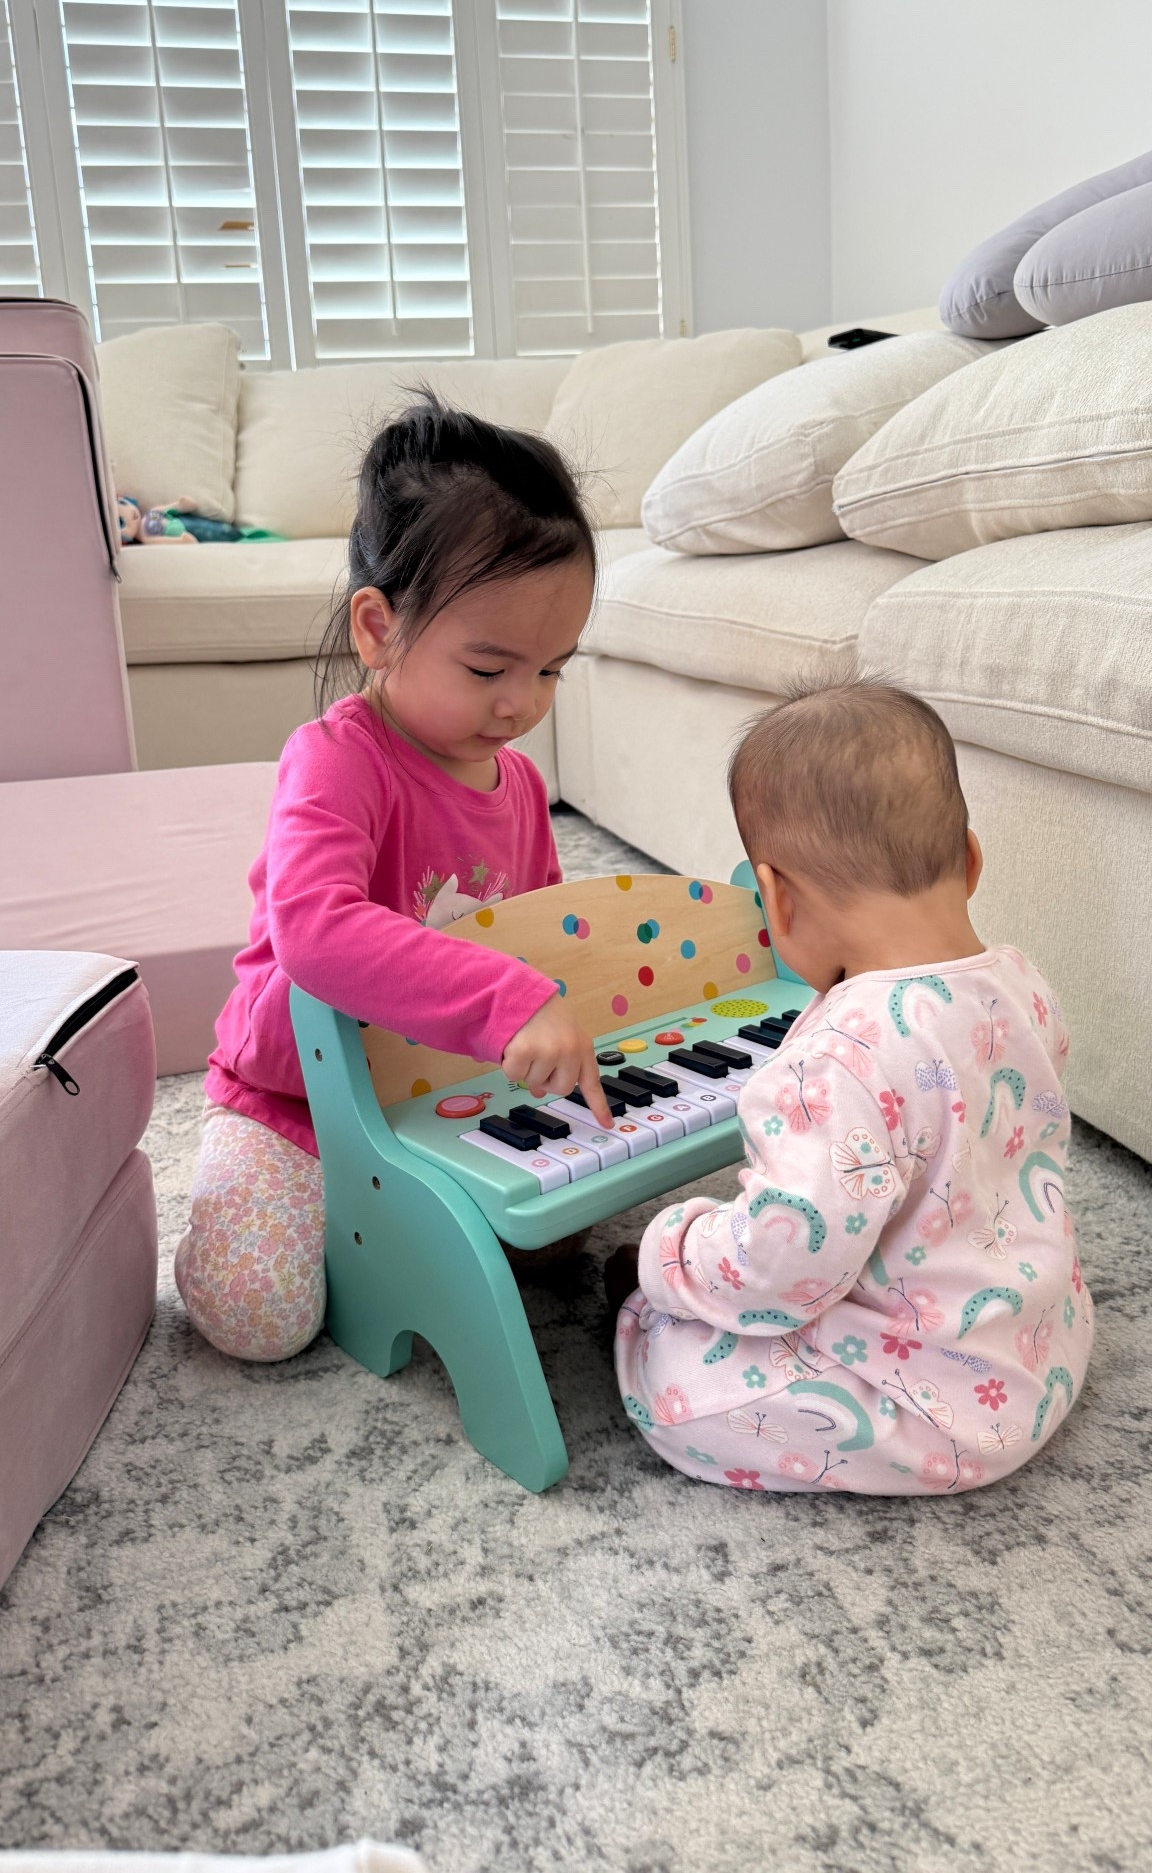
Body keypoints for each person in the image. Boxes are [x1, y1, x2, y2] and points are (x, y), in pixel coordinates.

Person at [176, 395, 611, 1362]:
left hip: (432, 1096)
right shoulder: (337, 758)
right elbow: (317, 933)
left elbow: (542, 938)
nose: (522, 704)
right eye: (491, 666)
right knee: (258, 1319)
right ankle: (305, 1213)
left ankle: (380, 1230)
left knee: (564, 1238)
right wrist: (507, 997)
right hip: (293, 1101)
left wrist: (558, 1027)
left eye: (552, 673)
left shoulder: (521, 782)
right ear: (377, 627)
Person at [609, 679, 1093, 1495]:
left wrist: (670, 1254)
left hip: (933, 1410)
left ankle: (643, 1336)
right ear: (971, 860)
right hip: (1040, 1351)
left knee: (675, 1380)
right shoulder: (1021, 982)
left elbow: (779, 1266)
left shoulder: (836, 1059)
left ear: (779, 898)